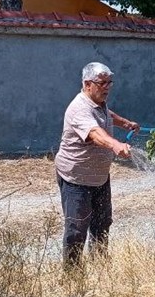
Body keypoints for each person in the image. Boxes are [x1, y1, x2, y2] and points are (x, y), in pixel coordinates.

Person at [54, 61, 140, 266]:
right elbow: (94, 133)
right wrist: (114, 144)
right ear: (87, 84)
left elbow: (107, 115)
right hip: (77, 179)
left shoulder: (98, 103)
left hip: (99, 177)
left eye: (110, 82)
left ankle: (100, 265)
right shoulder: (78, 108)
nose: (107, 87)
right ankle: (73, 275)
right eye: (102, 83)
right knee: (77, 229)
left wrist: (125, 123)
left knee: (102, 223)